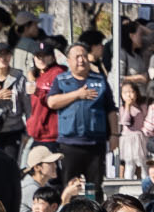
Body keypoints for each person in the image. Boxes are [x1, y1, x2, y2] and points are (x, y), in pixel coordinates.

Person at [46, 41, 111, 198]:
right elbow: (52, 102)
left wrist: (115, 135)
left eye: (83, 56)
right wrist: (77, 95)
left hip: (95, 143)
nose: (81, 60)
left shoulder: (100, 80)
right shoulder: (61, 80)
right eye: (76, 57)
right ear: (68, 60)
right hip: (70, 143)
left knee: (94, 188)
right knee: (70, 186)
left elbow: (111, 109)